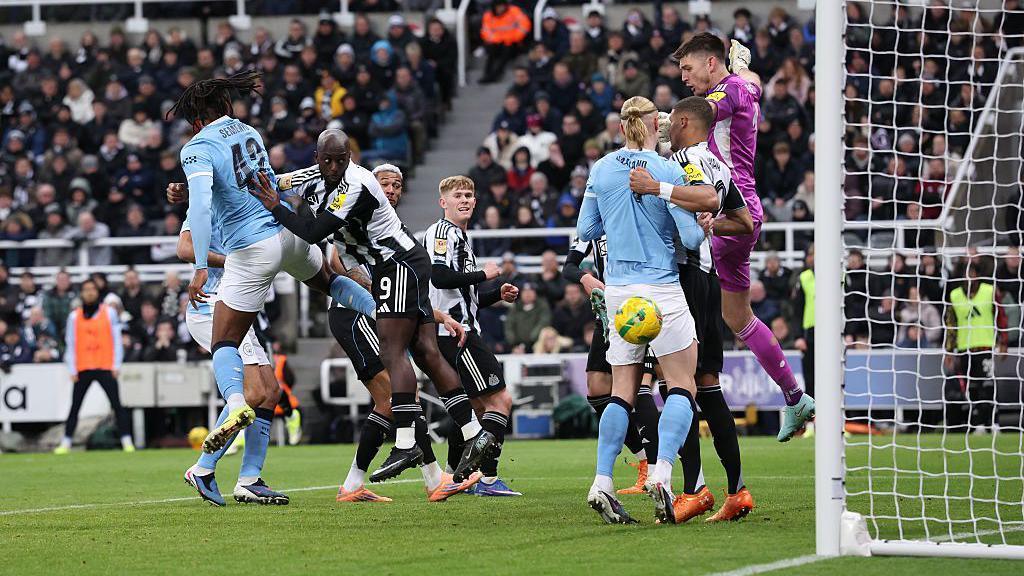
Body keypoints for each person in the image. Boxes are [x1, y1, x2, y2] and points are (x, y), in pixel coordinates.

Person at [247, 129, 498, 484]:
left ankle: (408, 442)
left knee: (393, 353)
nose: (333, 167)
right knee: (426, 353)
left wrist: (275, 206)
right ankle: (474, 432)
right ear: (317, 159)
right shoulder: (313, 175)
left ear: (350, 158)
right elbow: (273, 180)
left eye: (340, 160)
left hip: (394, 265)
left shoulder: (355, 185)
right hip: (406, 262)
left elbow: (314, 232)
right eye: (327, 160)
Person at [168, 72, 375, 481]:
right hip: (286, 230)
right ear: (227, 107)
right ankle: (383, 311)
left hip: (251, 250)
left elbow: (204, 206)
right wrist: (186, 191)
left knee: (224, 339)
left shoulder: (197, 148)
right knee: (328, 282)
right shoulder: (248, 131)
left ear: (195, 119)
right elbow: (241, 185)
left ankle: (234, 403)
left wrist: (198, 271)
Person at [277, 162, 477, 503]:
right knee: (398, 397)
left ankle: (361, 482)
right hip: (356, 315)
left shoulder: (385, 226)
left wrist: (435, 314)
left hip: (378, 312)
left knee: (393, 399)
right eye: (385, 184)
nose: (392, 191)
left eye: (397, 186)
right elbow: (340, 267)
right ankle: (428, 477)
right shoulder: (352, 212)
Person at [669, 33, 815, 441]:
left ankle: (683, 394)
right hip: (740, 206)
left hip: (728, 211)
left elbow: (694, 112)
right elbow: (755, 81)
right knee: (738, 316)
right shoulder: (743, 85)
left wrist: (651, 122)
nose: (683, 77)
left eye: (688, 68)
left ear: (712, 64)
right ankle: (795, 397)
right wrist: (742, 66)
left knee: (676, 293)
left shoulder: (726, 93)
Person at [576, 96, 715, 525]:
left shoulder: (600, 169)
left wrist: (617, 220)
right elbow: (690, 240)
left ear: (622, 127)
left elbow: (585, 230)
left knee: (622, 390)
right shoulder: (669, 170)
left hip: (619, 293)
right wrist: (702, 224)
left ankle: (602, 480)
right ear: (658, 124)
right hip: (662, 289)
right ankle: (663, 473)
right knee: (682, 385)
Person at [647, 96, 756, 523]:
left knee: (677, 384)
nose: (666, 129)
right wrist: (713, 222)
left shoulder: (689, 159)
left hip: (684, 280)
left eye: (670, 122)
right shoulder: (717, 162)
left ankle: (693, 489)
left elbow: (706, 197)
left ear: (685, 121)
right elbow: (743, 222)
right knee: (707, 385)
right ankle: (737, 490)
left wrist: (658, 186)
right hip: (708, 280)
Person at [176, 212, 290, 506]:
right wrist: (232, 263)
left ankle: (249, 481)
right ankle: (202, 468)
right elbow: (185, 248)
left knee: (270, 392)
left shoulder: (247, 205)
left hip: (238, 309)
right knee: (253, 392)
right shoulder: (207, 205)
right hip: (213, 306)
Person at [424, 175, 523, 496]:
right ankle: (484, 478)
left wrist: (496, 294)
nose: (465, 200)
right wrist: (485, 273)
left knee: (476, 407)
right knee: (501, 400)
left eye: (469, 195)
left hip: (459, 328)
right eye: (458, 195)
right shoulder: (441, 233)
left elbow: (462, 293)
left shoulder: (460, 236)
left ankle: (456, 477)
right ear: (443, 202)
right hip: (455, 333)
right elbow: (438, 278)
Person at [55, 279, 134, 455]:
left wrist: (116, 364)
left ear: (97, 292)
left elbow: (116, 340)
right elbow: (70, 343)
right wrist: (72, 369)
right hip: (83, 367)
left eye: (92, 289)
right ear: (81, 293)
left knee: (117, 405)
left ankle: (127, 441)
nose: (90, 292)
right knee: (75, 406)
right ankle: (66, 442)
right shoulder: (74, 316)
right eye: (86, 290)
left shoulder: (109, 313)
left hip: (105, 366)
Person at [944, 258, 1007, 433]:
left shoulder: (989, 291)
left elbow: (1000, 316)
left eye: (972, 273)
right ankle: (978, 423)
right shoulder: (955, 295)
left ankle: (993, 423)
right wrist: (949, 351)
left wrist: (1004, 341)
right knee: (972, 389)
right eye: (966, 274)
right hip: (965, 349)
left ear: (977, 275)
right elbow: (951, 325)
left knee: (988, 386)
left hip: (985, 347)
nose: (969, 278)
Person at [479, 0, 532, 84]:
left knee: (506, 49)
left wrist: (511, 38)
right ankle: (487, 74)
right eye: (498, 6)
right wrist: (499, 39)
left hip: (513, 43)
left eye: (502, 6)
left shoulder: (514, 11)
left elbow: (524, 26)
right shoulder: (488, 15)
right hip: (496, 43)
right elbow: (485, 32)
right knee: (491, 50)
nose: (501, 8)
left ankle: (497, 74)